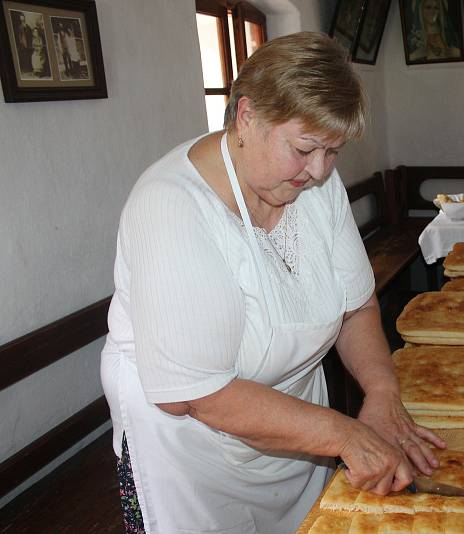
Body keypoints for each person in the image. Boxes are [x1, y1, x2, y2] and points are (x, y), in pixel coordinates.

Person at [100, 32, 446, 534]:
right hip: (190, 452)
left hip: (295, 430)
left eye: (333, 151)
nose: (321, 170)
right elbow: (195, 395)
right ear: (246, 117)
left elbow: (356, 306)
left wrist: (381, 389)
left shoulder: (310, 182)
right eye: (305, 148)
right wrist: (344, 436)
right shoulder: (171, 208)